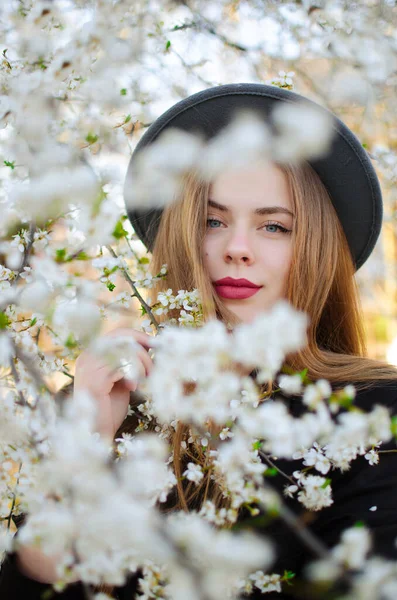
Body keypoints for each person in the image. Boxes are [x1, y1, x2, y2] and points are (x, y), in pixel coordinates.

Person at [2, 83, 397, 599]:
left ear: (317, 249)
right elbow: (34, 585)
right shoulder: (100, 407)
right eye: (212, 221)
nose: (237, 249)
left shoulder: (372, 419)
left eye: (274, 227)